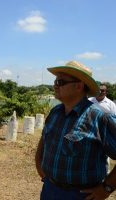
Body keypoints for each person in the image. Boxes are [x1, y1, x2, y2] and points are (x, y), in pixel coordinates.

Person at [35, 61, 116, 200]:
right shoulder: (55, 112)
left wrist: (106, 188)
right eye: (55, 81)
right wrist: (40, 167)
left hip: (80, 195)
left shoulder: (98, 117)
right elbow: (44, 141)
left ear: (78, 86)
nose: (55, 85)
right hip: (49, 189)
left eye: (60, 82)